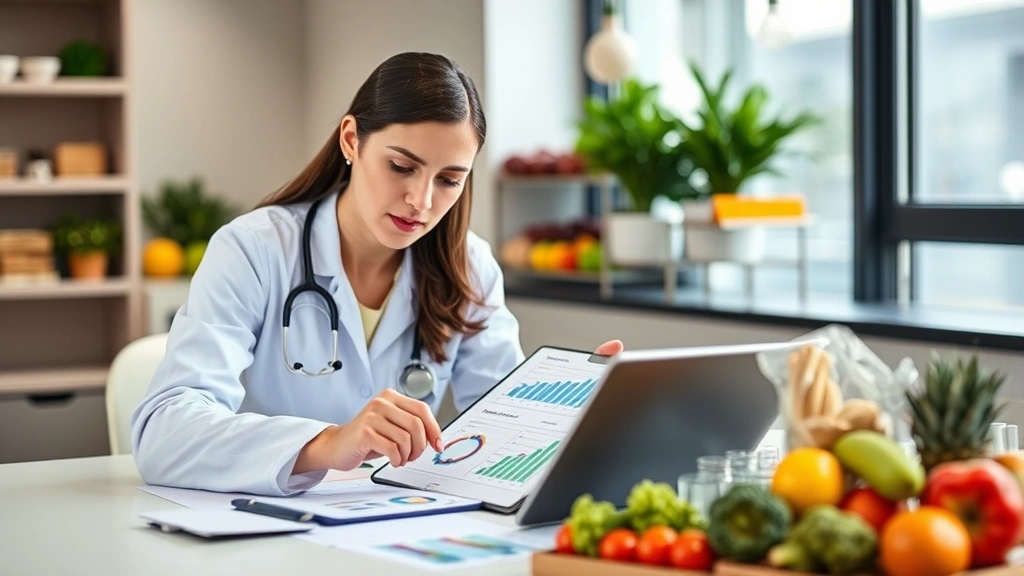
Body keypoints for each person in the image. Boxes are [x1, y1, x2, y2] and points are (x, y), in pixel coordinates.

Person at [130, 52, 623, 497]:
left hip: (394, 531)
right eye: (401, 166)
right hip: (266, 532)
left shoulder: (469, 266)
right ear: (351, 140)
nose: (423, 202)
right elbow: (163, 434)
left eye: (449, 180)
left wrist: (573, 405)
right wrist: (327, 443)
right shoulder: (253, 250)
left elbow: (504, 431)